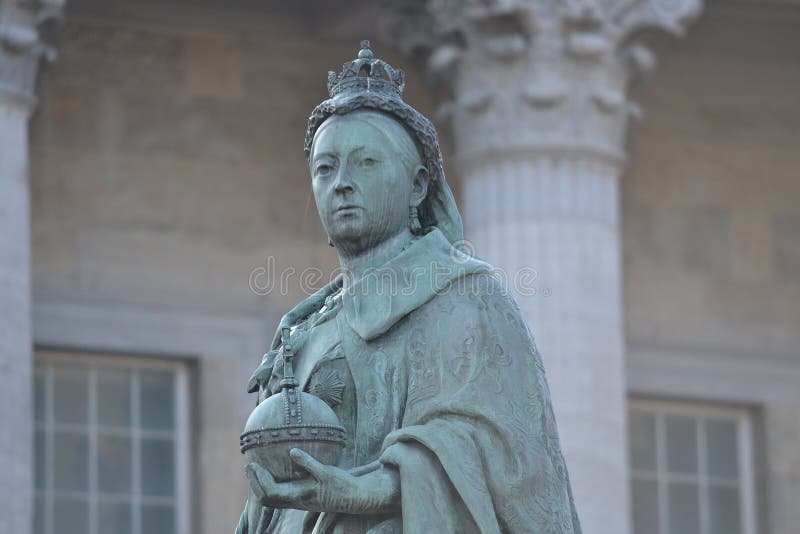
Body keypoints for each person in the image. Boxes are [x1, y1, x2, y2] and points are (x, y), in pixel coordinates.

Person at [236, 41, 581, 534]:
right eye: (325, 168)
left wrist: (362, 489)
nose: (342, 184)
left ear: (418, 186)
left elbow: (507, 462)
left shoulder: (467, 299)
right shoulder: (304, 328)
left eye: (367, 163)